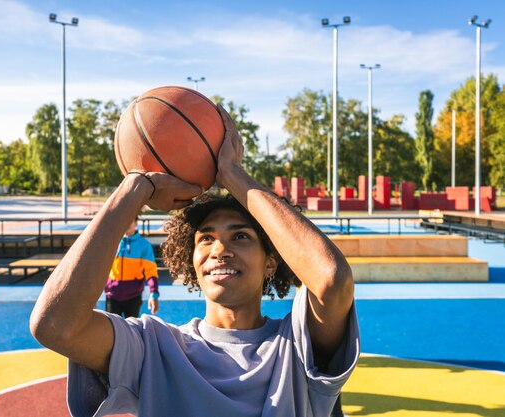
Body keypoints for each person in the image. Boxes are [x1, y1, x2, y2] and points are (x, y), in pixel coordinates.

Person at [30, 106, 359, 417]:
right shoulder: (152, 347)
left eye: (240, 236)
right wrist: (134, 187)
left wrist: (233, 175)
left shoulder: (298, 346)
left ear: (271, 262)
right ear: (192, 263)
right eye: (206, 238)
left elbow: (332, 279)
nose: (220, 249)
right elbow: (53, 324)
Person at [105, 218, 159, 317]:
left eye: (130, 221)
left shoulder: (144, 246)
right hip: (112, 295)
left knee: (132, 330)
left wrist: (153, 294)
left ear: (136, 223)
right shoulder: (111, 242)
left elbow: (151, 272)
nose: (127, 224)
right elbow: (101, 270)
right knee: (112, 331)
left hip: (133, 297)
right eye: (124, 221)